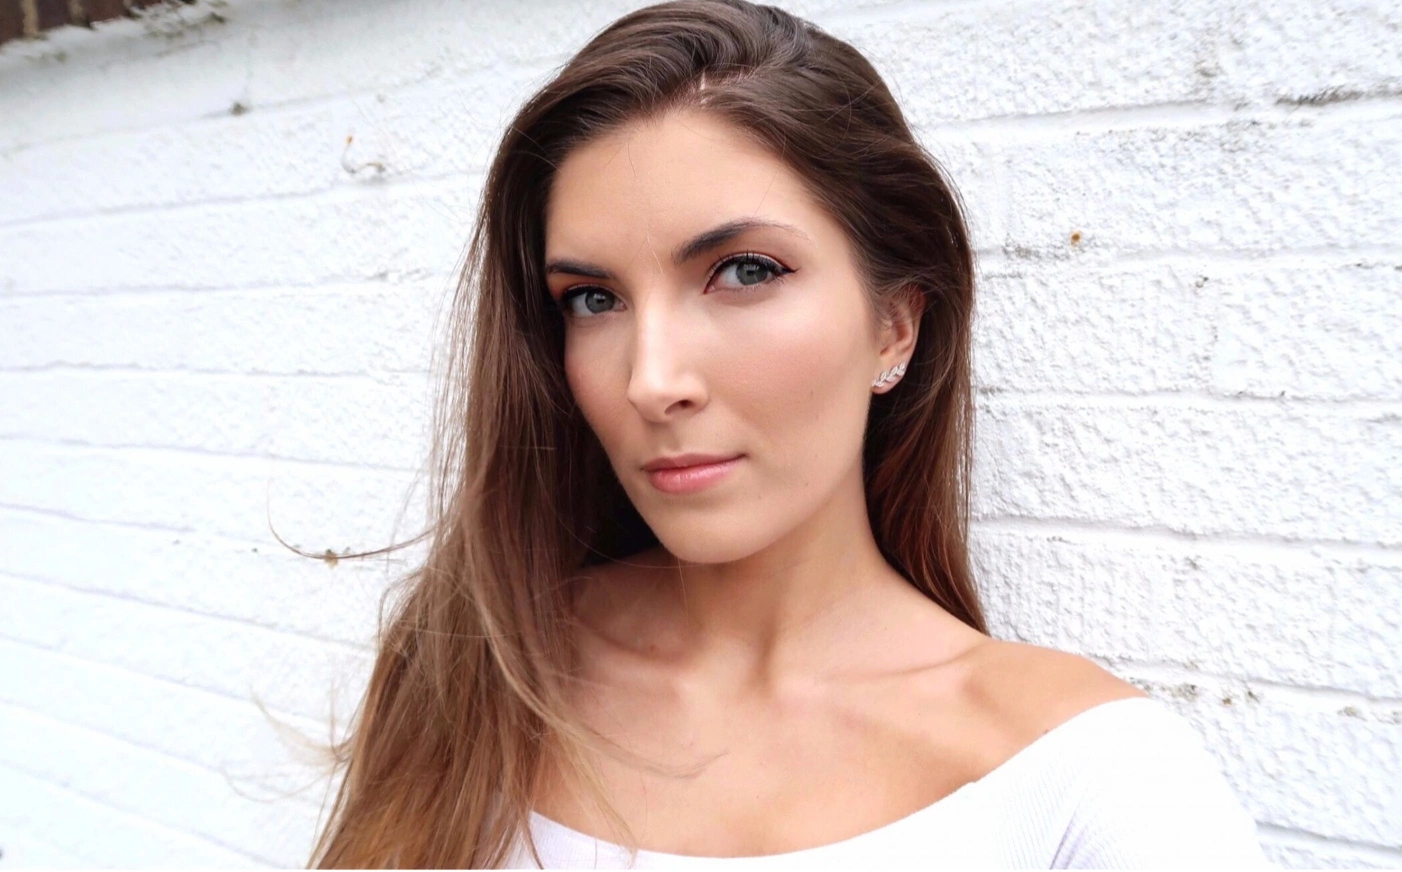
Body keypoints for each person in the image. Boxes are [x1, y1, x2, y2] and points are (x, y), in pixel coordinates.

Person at [308, 0, 1271, 867]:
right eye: (594, 298)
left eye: (745, 271)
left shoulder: (1089, 783)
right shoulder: (480, 662)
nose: (652, 381)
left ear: (895, 325)